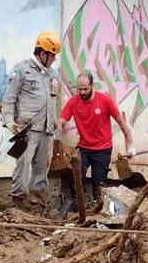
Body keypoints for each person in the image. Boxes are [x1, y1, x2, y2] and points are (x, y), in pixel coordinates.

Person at [57, 71, 135, 213]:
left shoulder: (105, 101)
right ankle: (77, 207)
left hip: (102, 149)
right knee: (77, 176)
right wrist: (59, 133)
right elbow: (61, 120)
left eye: (85, 89)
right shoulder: (74, 101)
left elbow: (122, 124)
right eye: (79, 89)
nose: (82, 92)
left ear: (92, 85)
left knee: (98, 184)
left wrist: (130, 145)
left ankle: (98, 209)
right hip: (83, 147)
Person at [1, 31, 61, 210]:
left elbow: (52, 99)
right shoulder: (22, 70)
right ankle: (18, 201)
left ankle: (37, 203)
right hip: (28, 129)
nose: (54, 60)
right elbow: (9, 99)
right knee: (23, 165)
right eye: (52, 56)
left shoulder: (51, 74)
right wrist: (9, 121)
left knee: (42, 167)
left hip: (46, 128)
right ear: (43, 54)